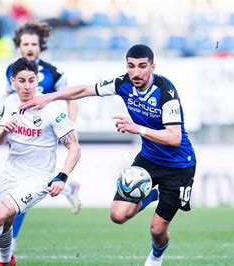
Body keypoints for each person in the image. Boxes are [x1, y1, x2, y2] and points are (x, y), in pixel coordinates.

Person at [20, 44, 197, 266]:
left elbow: (174, 138)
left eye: (142, 66)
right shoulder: (123, 83)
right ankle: (153, 195)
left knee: (157, 229)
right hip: (149, 160)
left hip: (179, 165)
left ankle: (155, 256)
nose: (136, 72)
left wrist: (138, 129)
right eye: (131, 66)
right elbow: (84, 90)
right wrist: (49, 98)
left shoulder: (165, 91)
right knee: (118, 216)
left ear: (152, 67)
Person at [0, 58, 81, 266]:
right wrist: (4, 129)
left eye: (31, 80)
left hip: (38, 177)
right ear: (13, 81)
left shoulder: (52, 109)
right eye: (22, 80)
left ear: (37, 80)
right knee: (6, 222)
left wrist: (62, 177)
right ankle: (6, 262)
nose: (27, 85)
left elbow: (74, 147)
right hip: (10, 172)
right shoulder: (9, 102)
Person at [0, 20, 81, 255]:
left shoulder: (53, 73)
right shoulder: (12, 70)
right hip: (22, 131)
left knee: (26, 183)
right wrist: (3, 121)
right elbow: (8, 96)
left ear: (41, 46)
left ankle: (12, 239)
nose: (29, 47)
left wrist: (70, 126)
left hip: (48, 131)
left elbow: (70, 98)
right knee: (24, 183)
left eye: (34, 44)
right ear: (19, 46)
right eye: (25, 43)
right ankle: (69, 188)